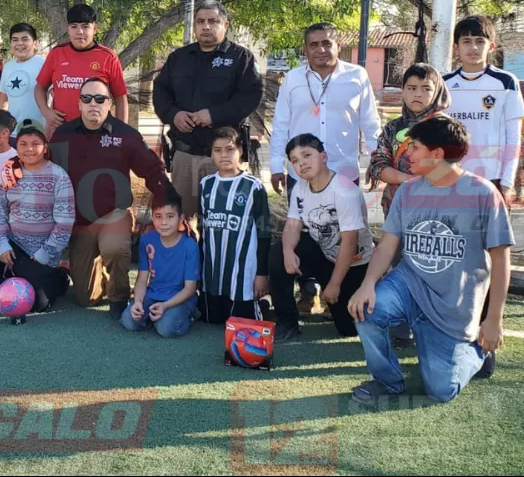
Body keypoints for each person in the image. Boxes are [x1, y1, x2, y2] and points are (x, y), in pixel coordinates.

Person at [348, 115, 513, 405]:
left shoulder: (483, 193)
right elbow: (387, 245)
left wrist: (493, 320)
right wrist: (368, 284)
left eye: (414, 147)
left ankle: (478, 351)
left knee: (440, 391)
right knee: (366, 310)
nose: (406, 153)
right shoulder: (408, 190)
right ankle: (387, 381)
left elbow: (501, 260)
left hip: (453, 304)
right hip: (409, 284)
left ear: (436, 155)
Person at [48, 78, 173, 317]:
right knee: (86, 298)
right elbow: (44, 166)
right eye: (86, 98)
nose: (93, 103)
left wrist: (169, 200)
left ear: (110, 103)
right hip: (79, 221)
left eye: (100, 98)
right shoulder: (63, 135)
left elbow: (152, 171)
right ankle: (97, 273)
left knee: (114, 247)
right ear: (79, 103)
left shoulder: (126, 135)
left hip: (113, 212)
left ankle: (119, 298)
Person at [152, 0, 264, 223]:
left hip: (222, 156)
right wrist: (174, 114)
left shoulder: (241, 58)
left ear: (225, 24)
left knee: (219, 220)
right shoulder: (179, 58)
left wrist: (213, 115)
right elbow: (160, 93)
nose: (206, 26)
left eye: (213, 21)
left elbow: (250, 96)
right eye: (200, 21)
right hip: (184, 155)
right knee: (182, 221)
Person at [274, 133, 375, 342]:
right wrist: (287, 252)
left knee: (349, 328)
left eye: (306, 155)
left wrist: (335, 284)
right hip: (323, 255)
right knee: (277, 253)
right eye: (294, 161)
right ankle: (286, 322)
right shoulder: (300, 188)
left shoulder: (344, 189)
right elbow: (293, 224)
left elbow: (350, 240)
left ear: (323, 157)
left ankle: (368, 289)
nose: (301, 163)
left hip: (354, 264)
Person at [0, 126, 75, 313]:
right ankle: (14, 277)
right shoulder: (9, 172)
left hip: (40, 253)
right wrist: (1, 244)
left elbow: (64, 223)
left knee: (37, 304)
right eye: (23, 144)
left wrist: (45, 252)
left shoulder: (59, 177)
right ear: (17, 148)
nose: (29, 149)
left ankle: (60, 277)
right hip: (13, 244)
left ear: (45, 148)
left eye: (36, 144)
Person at [270, 22, 381, 193]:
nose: (321, 50)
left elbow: (370, 122)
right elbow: (280, 125)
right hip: (301, 172)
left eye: (327, 43)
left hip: (344, 171)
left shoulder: (357, 76)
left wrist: (376, 161)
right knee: (299, 220)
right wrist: (276, 165)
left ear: (338, 46)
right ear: (305, 49)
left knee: (346, 220)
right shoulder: (292, 79)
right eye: (314, 45)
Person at [442, 15, 524, 201]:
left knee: (491, 231)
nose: (473, 47)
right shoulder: (444, 83)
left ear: (491, 46)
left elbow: (514, 136)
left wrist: (507, 181)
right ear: (456, 47)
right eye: (466, 41)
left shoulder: (506, 82)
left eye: (480, 41)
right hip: (450, 177)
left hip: (491, 178)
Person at [197, 127, 271, 324]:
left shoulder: (253, 186)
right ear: (211, 154)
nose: (223, 155)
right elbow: (202, 230)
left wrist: (262, 273)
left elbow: (264, 233)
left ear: (240, 151)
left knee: (241, 322)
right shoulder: (205, 184)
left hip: (242, 274)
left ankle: (263, 303)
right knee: (211, 319)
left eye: (229, 149)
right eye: (217, 150)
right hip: (212, 274)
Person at [367, 63, 451, 215]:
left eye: (426, 89)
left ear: (437, 91)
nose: (418, 94)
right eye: (412, 88)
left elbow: (453, 166)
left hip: (437, 207)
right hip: (396, 206)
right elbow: (377, 166)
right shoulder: (392, 127)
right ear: (403, 91)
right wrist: (409, 180)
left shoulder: (447, 128)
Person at [35, 5, 128, 136]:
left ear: (95, 28)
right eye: (74, 27)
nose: (79, 32)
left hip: (98, 132)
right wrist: (46, 112)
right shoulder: (57, 53)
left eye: (85, 26)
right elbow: (39, 87)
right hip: (61, 132)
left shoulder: (108, 57)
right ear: (68, 29)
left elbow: (120, 98)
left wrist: (120, 133)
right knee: (58, 157)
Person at [122, 196, 200, 337]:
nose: (164, 222)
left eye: (170, 216)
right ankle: (153, 316)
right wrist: (138, 302)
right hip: (153, 294)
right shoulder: (147, 240)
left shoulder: (190, 245)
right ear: (152, 218)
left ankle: (190, 315)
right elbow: (141, 279)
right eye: (158, 216)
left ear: (181, 218)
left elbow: (190, 288)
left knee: (166, 328)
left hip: (179, 298)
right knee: (129, 320)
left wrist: (165, 306)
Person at [0, 23, 47, 133]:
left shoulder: (44, 64)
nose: (20, 43)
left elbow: (53, 96)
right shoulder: (7, 67)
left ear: (35, 43)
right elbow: (3, 99)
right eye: (15, 40)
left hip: (38, 132)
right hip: (12, 132)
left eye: (25, 39)